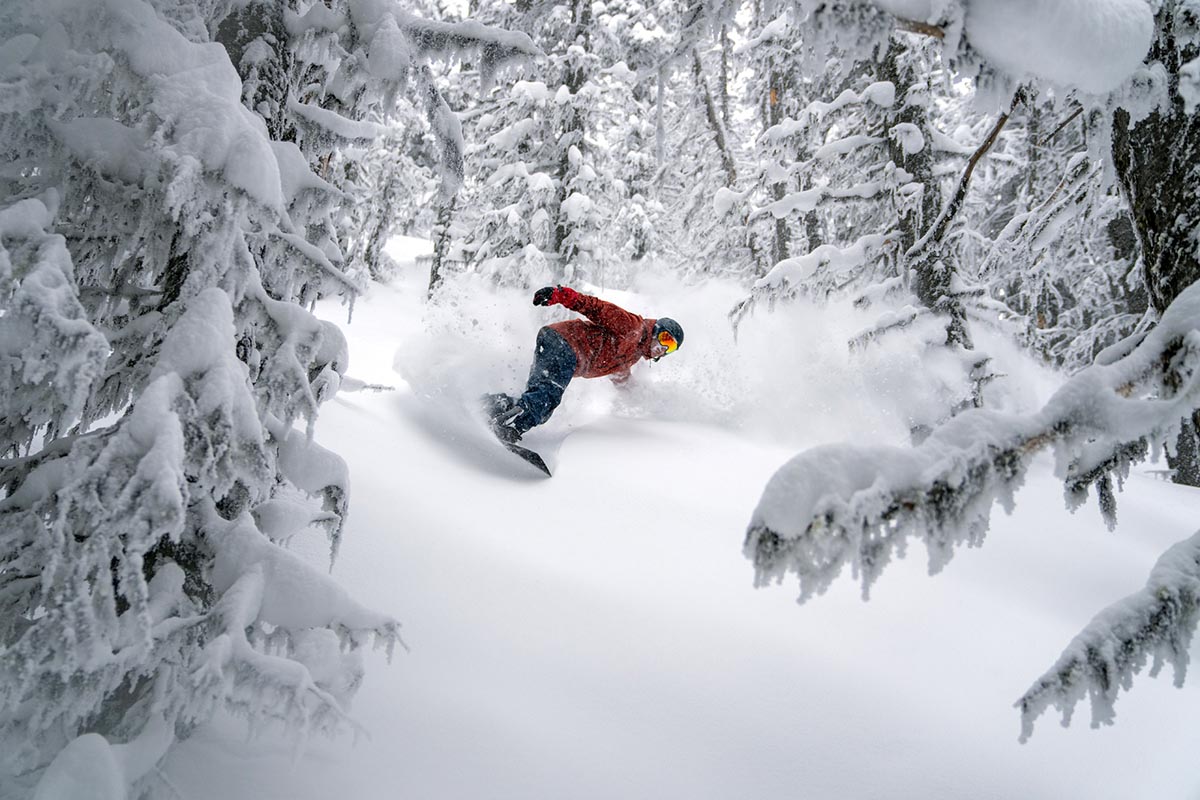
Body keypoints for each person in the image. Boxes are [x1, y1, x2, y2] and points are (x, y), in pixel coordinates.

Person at [484, 285, 684, 443]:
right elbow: (595, 307)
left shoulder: (630, 356)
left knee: (539, 401)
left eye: (670, 347)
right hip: (565, 343)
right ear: (656, 330)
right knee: (546, 398)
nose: (663, 348)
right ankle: (510, 428)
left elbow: (622, 379)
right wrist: (559, 295)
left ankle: (491, 406)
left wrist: (644, 400)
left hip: (557, 343)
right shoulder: (632, 326)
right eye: (665, 338)